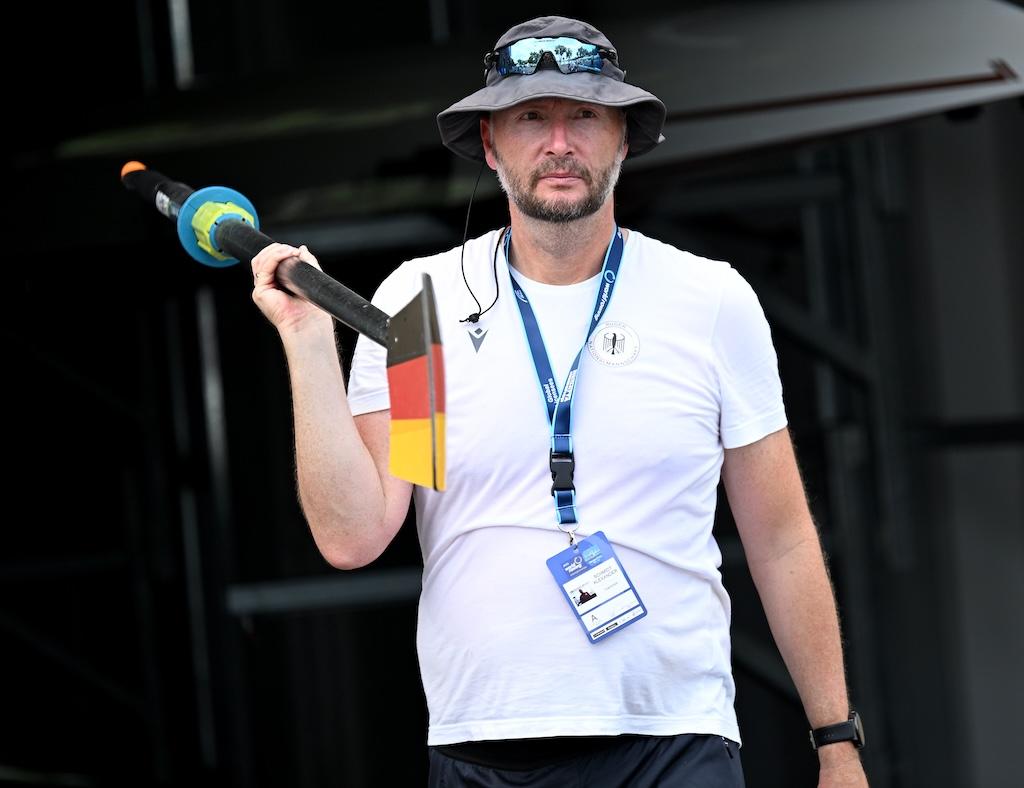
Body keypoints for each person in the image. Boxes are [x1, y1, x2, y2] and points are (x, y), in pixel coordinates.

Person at [250, 15, 869, 788]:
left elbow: (780, 537)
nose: (559, 142)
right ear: (490, 144)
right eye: (530, 118)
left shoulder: (709, 300)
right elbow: (356, 535)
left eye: (584, 115)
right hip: (483, 745)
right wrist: (307, 340)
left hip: (673, 740)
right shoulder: (422, 306)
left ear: (622, 139)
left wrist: (836, 742)